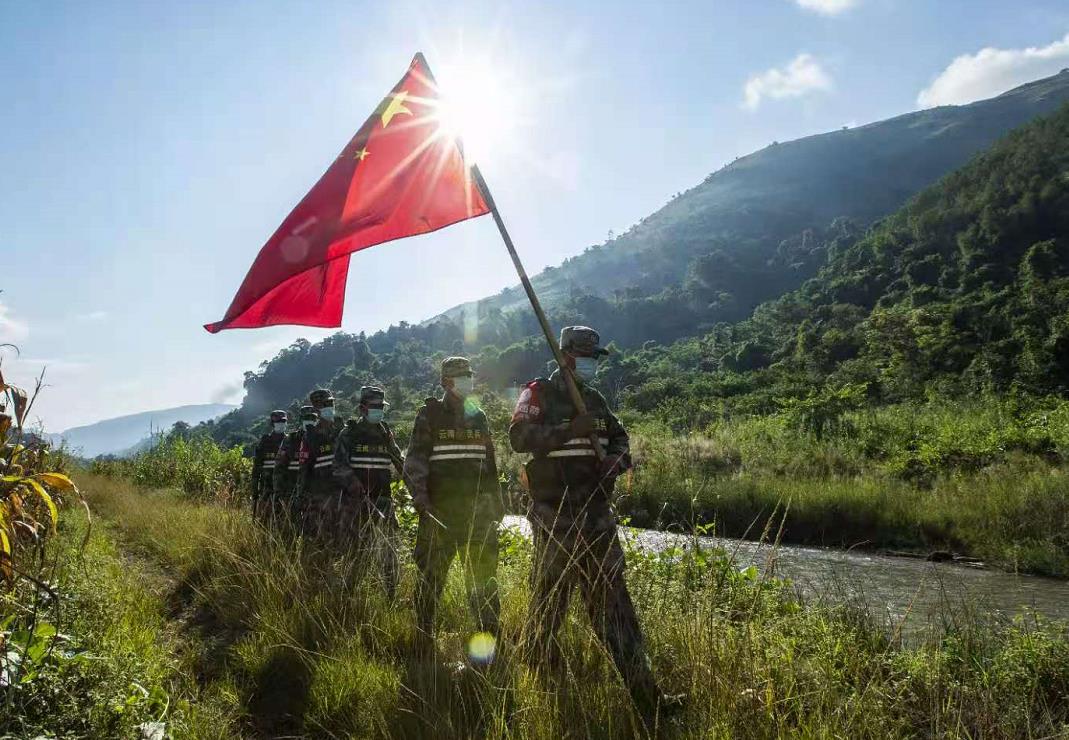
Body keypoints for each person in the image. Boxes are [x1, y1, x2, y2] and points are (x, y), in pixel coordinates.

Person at [510, 326, 677, 715]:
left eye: (593, 357)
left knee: (615, 604)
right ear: (564, 356)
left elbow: (621, 441)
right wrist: (569, 430)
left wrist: (614, 463)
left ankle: (648, 699)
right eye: (583, 357)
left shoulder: (597, 400)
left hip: (597, 517)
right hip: (555, 515)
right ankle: (540, 695)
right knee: (549, 601)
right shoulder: (538, 393)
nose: (589, 364)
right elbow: (518, 438)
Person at [404, 357, 503, 646]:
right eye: (461, 376)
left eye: (469, 375)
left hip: (477, 517)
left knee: (484, 583)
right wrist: (421, 501)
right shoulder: (429, 416)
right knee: (431, 583)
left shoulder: (479, 416)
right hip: (439, 515)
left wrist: (496, 504)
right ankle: (423, 640)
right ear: (446, 382)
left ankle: (490, 643)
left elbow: (490, 464)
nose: (467, 381)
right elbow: (415, 463)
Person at [333, 385, 404, 598]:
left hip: (383, 501)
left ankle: (391, 598)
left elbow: (400, 461)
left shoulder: (385, 432)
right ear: (363, 408)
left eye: (381, 407)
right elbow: (338, 467)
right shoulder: (349, 433)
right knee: (358, 553)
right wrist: (353, 483)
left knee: (389, 552)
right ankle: (348, 598)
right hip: (357, 504)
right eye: (375, 407)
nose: (379, 410)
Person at [297, 389, 343, 539]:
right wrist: (303, 498)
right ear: (316, 409)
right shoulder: (310, 437)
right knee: (323, 539)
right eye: (325, 404)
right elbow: (304, 470)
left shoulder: (343, 430)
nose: (330, 407)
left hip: (344, 495)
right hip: (322, 497)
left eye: (331, 403)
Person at [274, 405, 318, 524]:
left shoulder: (321, 438)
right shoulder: (291, 439)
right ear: (301, 419)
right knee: (291, 527)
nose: (309, 421)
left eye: (312, 418)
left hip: (315, 492)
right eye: (306, 418)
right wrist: (279, 492)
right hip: (292, 492)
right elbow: (279, 467)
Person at [251, 410, 287, 522]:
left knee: (284, 520)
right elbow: (256, 467)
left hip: (285, 489)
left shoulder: (289, 441)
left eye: (283, 421)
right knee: (265, 519)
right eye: (278, 421)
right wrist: (254, 489)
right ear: (272, 424)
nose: (281, 424)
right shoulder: (265, 442)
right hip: (267, 489)